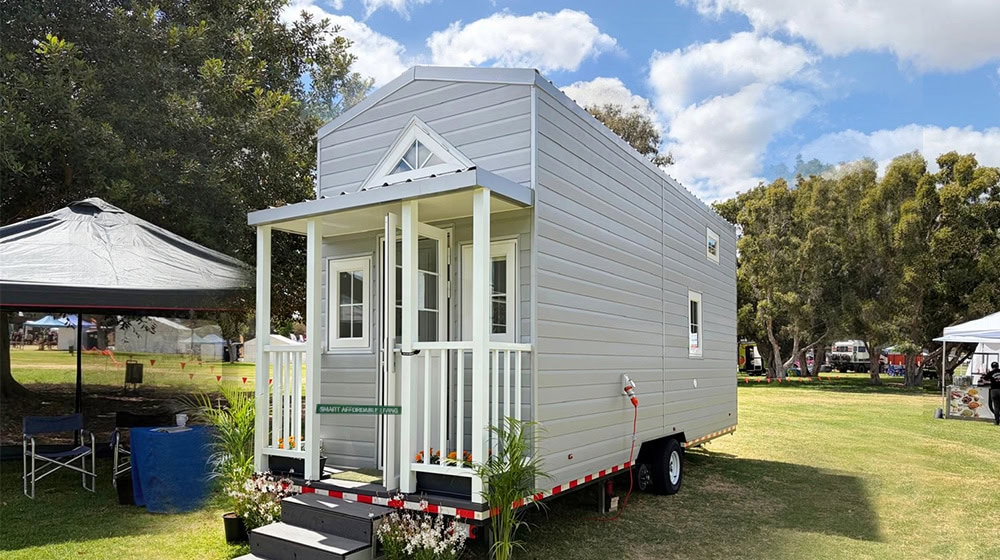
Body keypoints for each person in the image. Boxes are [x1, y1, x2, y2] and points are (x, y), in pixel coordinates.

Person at [985, 361, 1000, 426]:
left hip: (994, 390)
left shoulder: (990, 373)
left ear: (992, 367)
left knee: (996, 406)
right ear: (998, 366)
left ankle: (997, 421)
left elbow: (984, 379)